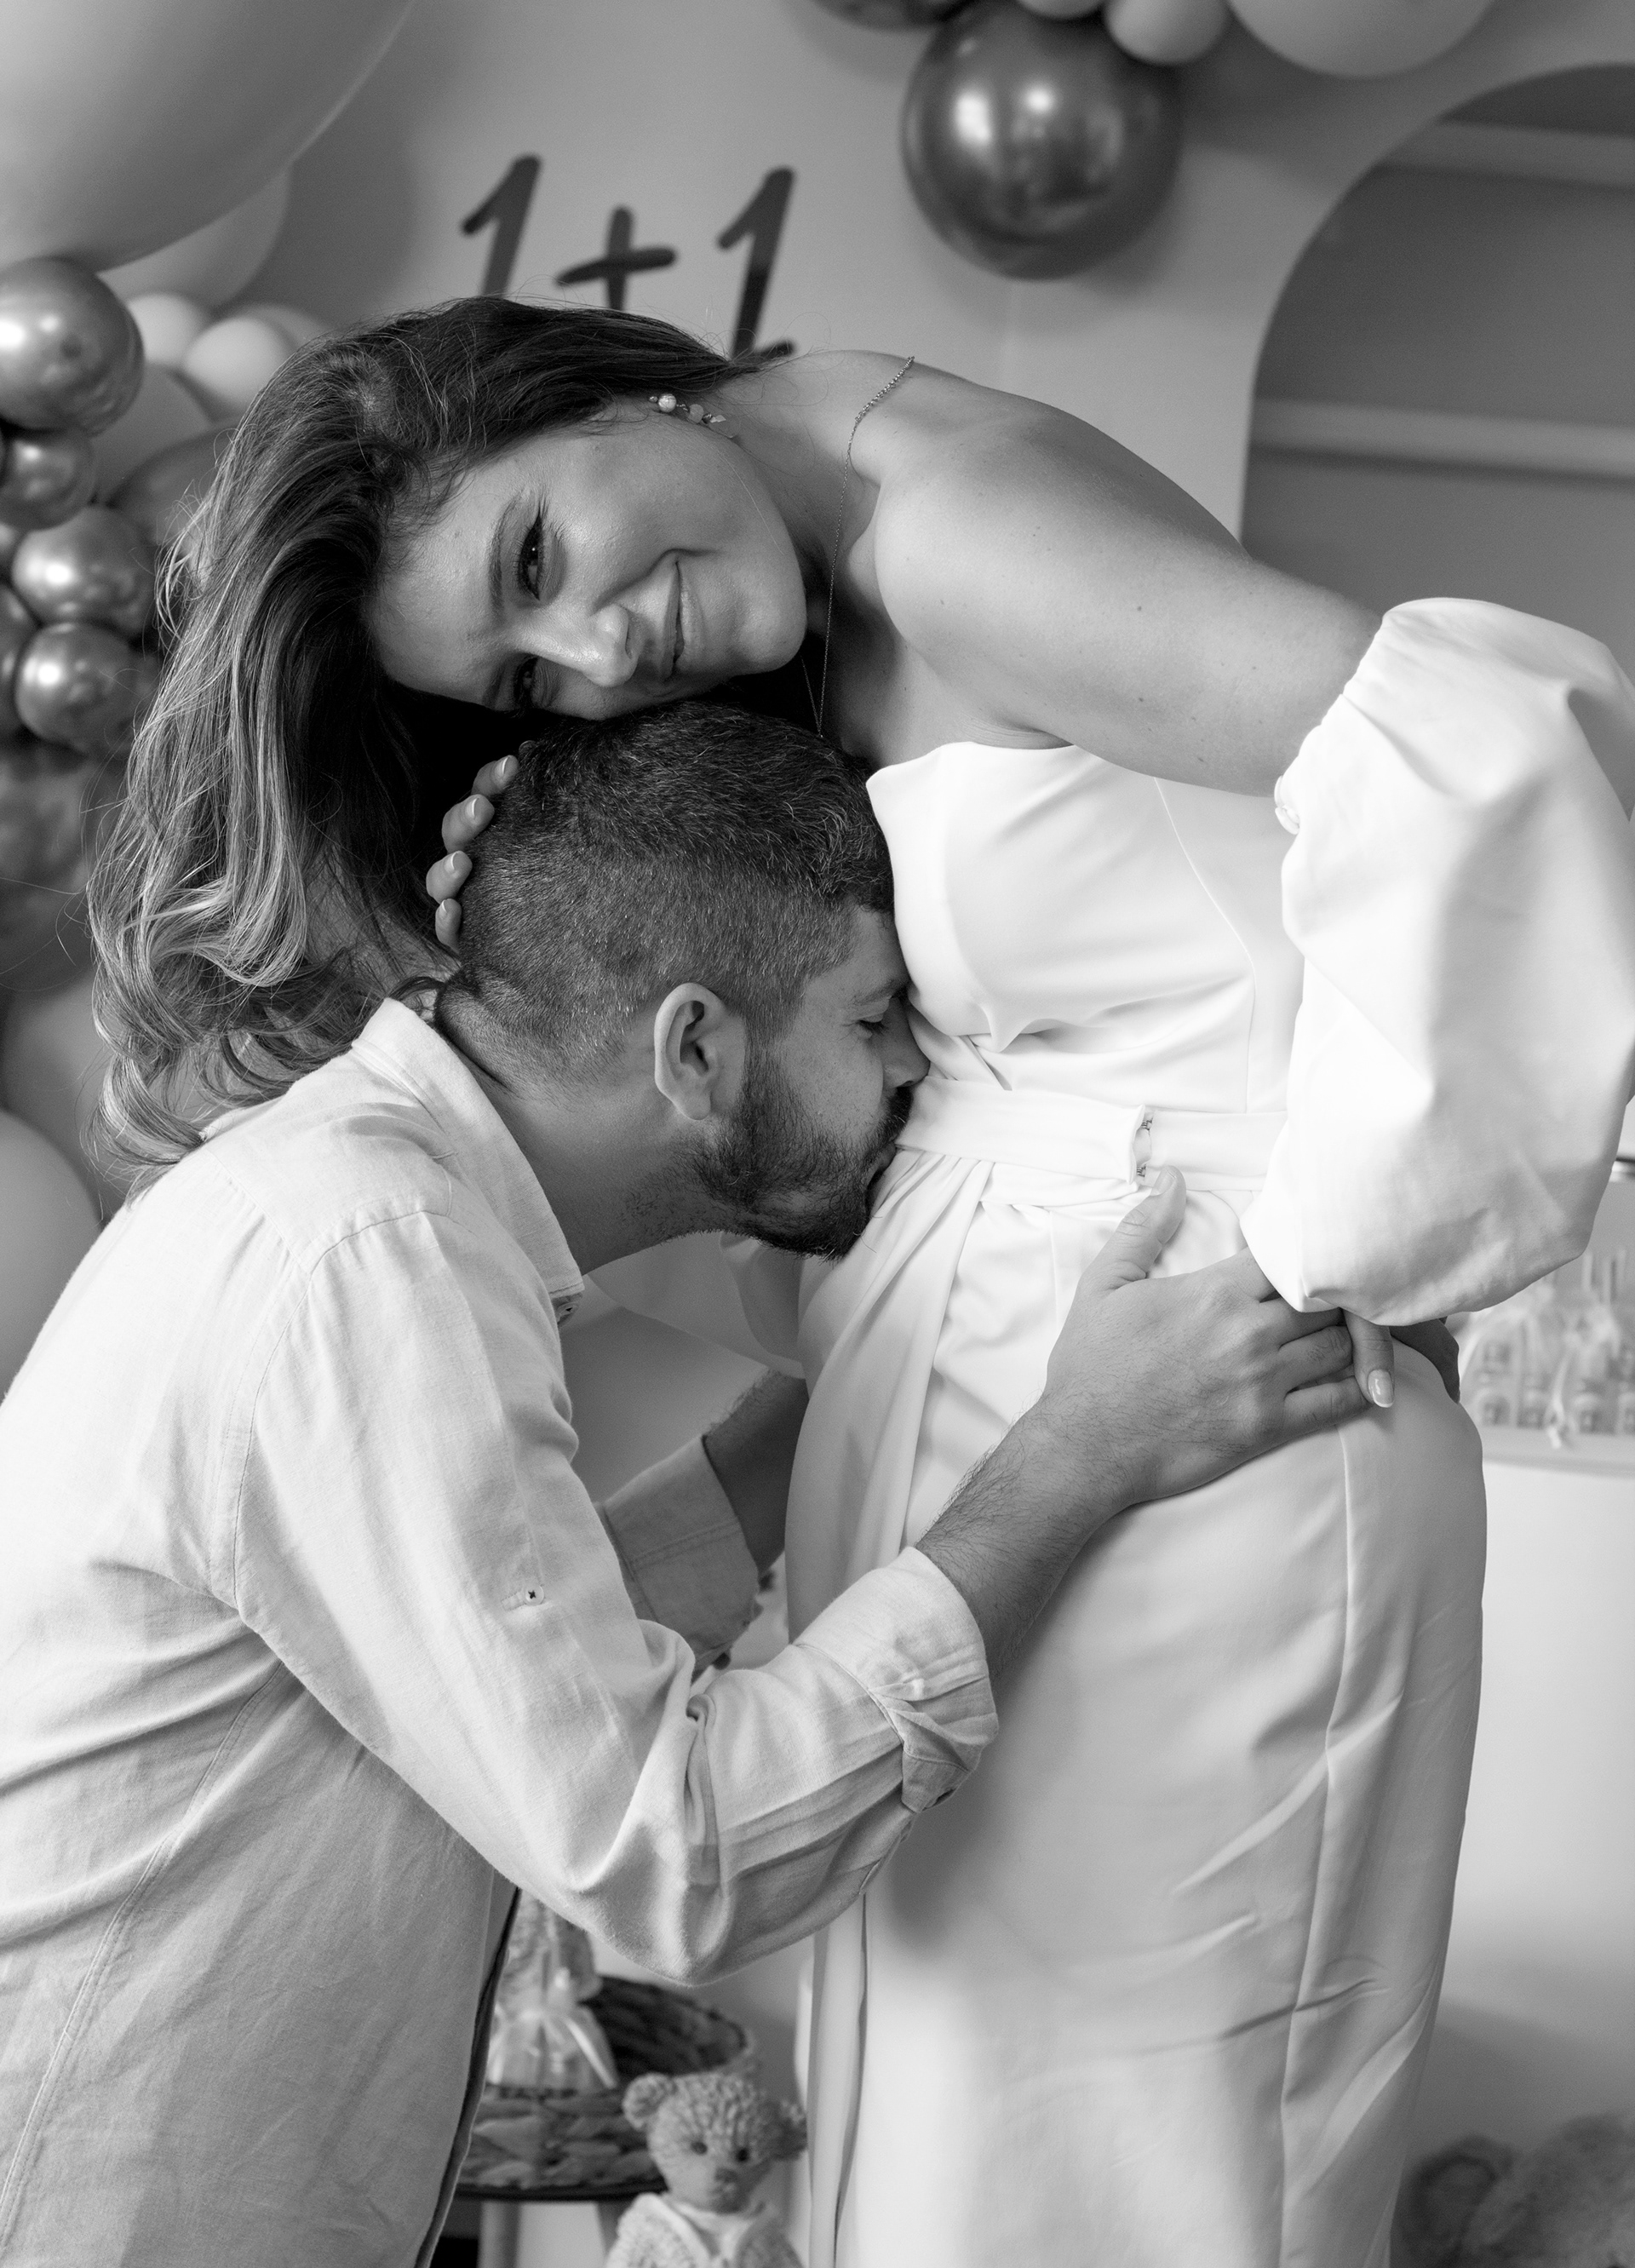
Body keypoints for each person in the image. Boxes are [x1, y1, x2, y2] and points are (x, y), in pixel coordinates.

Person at [89, 300, 1635, 2268]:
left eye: (538, 557)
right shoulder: (811, 573)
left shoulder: (958, 525)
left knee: (1148, 2154)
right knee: (969, 2141)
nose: (598, 655)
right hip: (1051, 1436)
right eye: (527, 673)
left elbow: (1478, 746)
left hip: (1197, 1411)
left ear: (582, 392)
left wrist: (1333, 1250)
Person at [0, 709, 1365, 2268]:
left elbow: (499, 1659)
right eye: (873, 1019)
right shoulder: (376, 1257)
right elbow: (675, 1856)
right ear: (695, 1048)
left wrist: (887, 1398)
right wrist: (1074, 1459)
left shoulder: (358, 1201)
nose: (912, 1066)